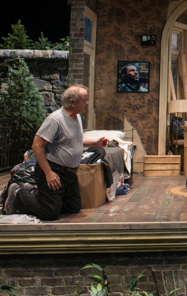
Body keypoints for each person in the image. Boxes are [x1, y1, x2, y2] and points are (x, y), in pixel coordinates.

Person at [3, 85, 109, 220]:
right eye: (85, 100)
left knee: (73, 207)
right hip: (55, 171)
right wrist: (48, 173)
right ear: (73, 102)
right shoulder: (55, 119)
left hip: (70, 174)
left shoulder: (76, 117)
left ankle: (34, 192)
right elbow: (37, 145)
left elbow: (77, 139)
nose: (87, 103)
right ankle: (17, 194)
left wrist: (95, 143)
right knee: (49, 213)